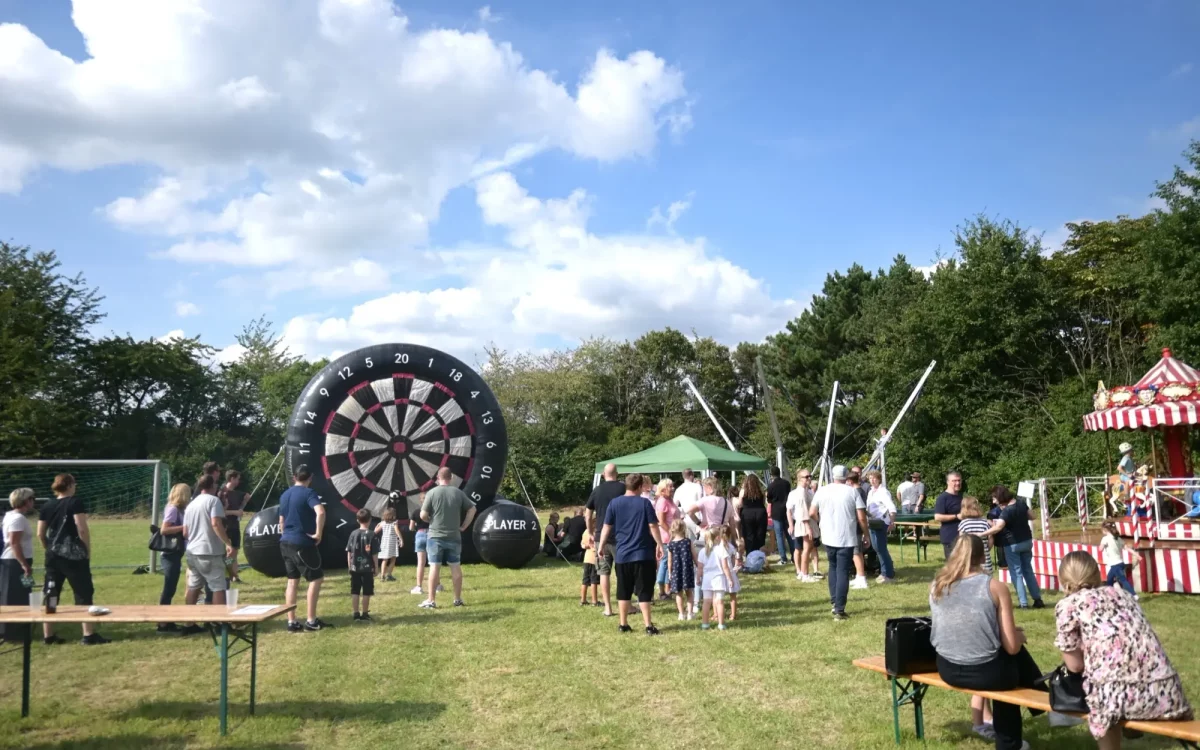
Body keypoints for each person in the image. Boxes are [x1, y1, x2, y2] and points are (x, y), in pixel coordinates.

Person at [1055, 551, 1192, 748]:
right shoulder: (1123, 595)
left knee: (1102, 693)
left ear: (1063, 580)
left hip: (1115, 694)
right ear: (1096, 573)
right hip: (1166, 690)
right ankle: (1131, 723)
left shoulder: (1067, 606)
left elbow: (1075, 666)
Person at [931, 534, 1048, 750]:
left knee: (1006, 653)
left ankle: (1046, 705)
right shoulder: (994, 586)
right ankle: (1011, 741)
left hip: (947, 665)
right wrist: (1018, 636)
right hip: (985, 671)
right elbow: (1011, 647)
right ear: (983, 555)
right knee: (1013, 657)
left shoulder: (938, 584)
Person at [38, 474, 108, 645]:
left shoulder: (47, 505)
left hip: (53, 555)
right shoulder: (75, 502)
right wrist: (86, 550)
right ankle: (88, 634)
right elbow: (81, 528)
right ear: (69, 485)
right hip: (74, 556)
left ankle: (48, 635)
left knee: (51, 592)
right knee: (83, 592)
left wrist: (49, 548)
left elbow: (41, 532)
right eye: (74, 483)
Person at [595, 474, 664, 635]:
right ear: (640, 487)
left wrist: (602, 545)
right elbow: (653, 526)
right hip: (643, 554)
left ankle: (623, 624)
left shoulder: (615, 503)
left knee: (623, 589)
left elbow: (606, 526)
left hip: (622, 554)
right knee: (644, 590)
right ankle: (648, 625)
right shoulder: (645, 503)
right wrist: (660, 544)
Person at [810, 465, 869, 622]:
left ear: (832, 476)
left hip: (828, 536)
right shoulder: (852, 491)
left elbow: (811, 512)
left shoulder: (822, 490)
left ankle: (834, 601)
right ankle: (839, 608)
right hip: (846, 536)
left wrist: (821, 522)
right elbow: (862, 517)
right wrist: (866, 534)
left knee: (833, 567)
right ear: (846, 477)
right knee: (842, 570)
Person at [178, 475, 234, 637]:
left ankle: (189, 623)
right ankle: (219, 623)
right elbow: (216, 523)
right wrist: (227, 543)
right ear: (212, 486)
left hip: (192, 551)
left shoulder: (191, 504)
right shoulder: (213, 501)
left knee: (194, 586)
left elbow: (185, 532)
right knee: (218, 586)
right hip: (209, 551)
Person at [278, 465, 327, 632]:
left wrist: (285, 535)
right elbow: (320, 512)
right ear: (310, 478)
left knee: (292, 581)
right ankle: (311, 620)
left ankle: (292, 622)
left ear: (294, 478)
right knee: (316, 579)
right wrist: (318, 533)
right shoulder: (309, 493)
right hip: (302, 542)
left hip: (285, 542)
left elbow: (281, 521)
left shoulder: (285, 494)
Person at [419, 467, 477, 609]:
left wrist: (430, 521)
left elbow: (422, 515)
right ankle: (457, 599)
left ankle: (431, 600)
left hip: (435, 536)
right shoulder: (458, 493)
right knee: (455, 567)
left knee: (434, 567)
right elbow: (472, 509)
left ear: (438, 478)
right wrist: (463, 526)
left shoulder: (432, 493)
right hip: (454, 536)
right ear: (451, 478)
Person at [981, 486, 1044, 610]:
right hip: (1027, 541)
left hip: (1012, 544)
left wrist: (981, 534)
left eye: (994, 498)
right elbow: (1033, 516)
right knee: (1028, 571)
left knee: (1016, 573)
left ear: (1000, 497)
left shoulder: (1006, 511)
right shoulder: (1021, 504)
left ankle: (1023, 603)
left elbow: (998, 528)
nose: (993, 502)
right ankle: (1038, 599)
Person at [585, 463, 626, 617]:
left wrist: (590, 532)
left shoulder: (597, 490)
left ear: (603, 474)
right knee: (622, 572)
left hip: (600, 536)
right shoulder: (623, 488)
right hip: (620, 536)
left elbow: (588, 514)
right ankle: (626, 606)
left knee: (603, 573)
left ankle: (608, 608)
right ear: (617, 473)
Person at [1, 489, 36, 644]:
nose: (33, 501)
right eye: (31, 498)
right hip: (15, 562)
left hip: (17, 561)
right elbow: (14, 543)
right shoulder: (17, 518)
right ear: (25, 500)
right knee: (13, 596)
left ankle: (20, 628)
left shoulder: (12, 516)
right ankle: (11, 632)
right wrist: (24, 564)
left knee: (22, 593)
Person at [155, 483, 191, 634]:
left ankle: (166, 621)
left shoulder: (180, 509)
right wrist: (184, 528)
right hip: (169, 554)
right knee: (169, 587)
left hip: (176, 553)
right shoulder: (173, 509)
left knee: (172, 587)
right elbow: (164, 529)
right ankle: (162, 624)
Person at [787, 469, 822, 582]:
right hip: (804, 522)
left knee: (809, 548)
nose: (809, 478)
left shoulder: (806, 491)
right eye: (806, 477)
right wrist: (807, 527)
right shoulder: (800, 492)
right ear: (799, 479)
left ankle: (803, 572)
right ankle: (804, 573)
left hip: (807, 522)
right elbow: (802, 510)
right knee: (806, 549)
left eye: (809, 476)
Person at [696, 525, 734, 630]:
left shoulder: (703, 551)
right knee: (719, 602)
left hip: (707, 578)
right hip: (719, 578)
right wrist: (730, 579)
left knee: (706, 602)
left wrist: (698, 578)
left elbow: (699, 568)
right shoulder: (721, 550)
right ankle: (721, 624)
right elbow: (725, 567)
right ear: (717, 538)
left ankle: (705, 623)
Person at [865, 470, 897, 584]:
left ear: (879, 479)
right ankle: (884, 572)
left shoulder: (883, 492)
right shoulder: (871, 492)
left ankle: (888, 573)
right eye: (870, 478)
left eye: (874, 478)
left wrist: (892, 522)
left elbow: (891, 507)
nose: (872, 480)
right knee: (876, 548)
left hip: (881, 522)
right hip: (872, 522)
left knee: (881, 548)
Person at [218, 470, 247, 583]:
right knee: (229, 553)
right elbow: (220, 512)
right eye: (237, 479)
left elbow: (242, 503)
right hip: (225, 526)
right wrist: (235, 512)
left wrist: (245, 500)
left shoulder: (236, 493)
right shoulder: (222, 493)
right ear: (232, 479)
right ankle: (228, 572)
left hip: (235, 526)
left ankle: (234, 577)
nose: (238, 481)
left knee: (234, 552)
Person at [346, 508, 375, 622]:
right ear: (370, 520)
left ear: (358, 520)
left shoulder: (353, 534)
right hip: (368, 568)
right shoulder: (372, 534)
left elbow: (349, 551)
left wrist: (349, 565)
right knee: (367, 591)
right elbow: (374, 554)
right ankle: (365, 614)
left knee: (355, 590)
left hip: (354, 567)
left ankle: (355, 613)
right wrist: (376, 567)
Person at [653, 479, 678, 601]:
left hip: (672, 536)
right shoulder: (662, 502)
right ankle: (662, 590)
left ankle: (668, 589)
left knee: (670, 563)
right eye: (670, 487)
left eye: (672, 486)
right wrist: (671, 533)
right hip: (666, 537)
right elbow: (661, 522)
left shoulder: (669, 500)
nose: (672, 488)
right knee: (664, 562)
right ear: (663, 490)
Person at [666, 519, 695, 621]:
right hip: (687, 571)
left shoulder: (670, 544)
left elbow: (669, 561)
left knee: (678, 593)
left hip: (676, 572)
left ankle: (681, 614)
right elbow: (694, 556)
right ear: (684, 529)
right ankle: (690, 613)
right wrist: (698, 565)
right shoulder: (688, 542)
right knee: (689, 592)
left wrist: (670, 572)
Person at [957, 496, 993, 575]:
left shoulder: (964, 523)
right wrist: (986, 549)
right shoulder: (984, 522)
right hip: (984, 558)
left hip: (969, 558)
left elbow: (961, 541)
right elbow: (990, 539)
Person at [933, 471, 965, 559]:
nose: (957, 483)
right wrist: (956, 516)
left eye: (959, 480)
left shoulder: (960, 496)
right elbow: (937, 517)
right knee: (954, 568)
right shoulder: (943, 498)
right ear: (948, 482)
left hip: (963, 537)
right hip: (950, 537)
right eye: (954, 481)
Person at [846, 472, 870, 590]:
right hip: (856, 525)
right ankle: (858, 576)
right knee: (856, 552)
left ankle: (861, 578)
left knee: (856, 552)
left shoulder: (856, 492)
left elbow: (861, 513)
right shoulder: (861, 491)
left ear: (850, 481)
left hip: (856, 525)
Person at [1100, 521, 1136, 598]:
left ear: (1105, 530)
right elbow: (1126, 548)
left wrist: (1102, 545)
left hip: (1115, 564)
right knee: (1109, 579)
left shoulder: (1105, 539)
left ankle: (1134, 595)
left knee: (1123, 580)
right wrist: (1136, 554)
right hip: (1120, 563)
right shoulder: (1118, 539)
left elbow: (1100, 549)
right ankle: (1109, 595)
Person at [766, 466, 793, 566]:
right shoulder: (786, 484)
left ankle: (783, 558)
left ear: (772, 474)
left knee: (779, 535)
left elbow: (769, 499)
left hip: (776, 511)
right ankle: (794, 555)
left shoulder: (771, 486)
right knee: (789, 533)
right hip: (786, 510)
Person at [738, 473, 769, 554]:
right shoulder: (761, 490)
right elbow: (763, 502)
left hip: (747, 513)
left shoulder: (743, 491)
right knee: (760, 535)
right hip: (760, 513)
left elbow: (740, 504)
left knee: (749, 535)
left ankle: (750, 554)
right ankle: (760, 554)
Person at [409, 491, 432, 595]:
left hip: (420, 534)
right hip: (432, 535)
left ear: (421, 500)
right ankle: (437, 585)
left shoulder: (416, 512)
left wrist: (416, 529)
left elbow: (411, 527)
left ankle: (419, 587)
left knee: (420, 563)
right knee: (434, 562)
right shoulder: (433, 511)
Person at [376, 507, 403, 582]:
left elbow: (375, 531)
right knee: (393, 558)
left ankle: (382, 576)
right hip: (392, 542)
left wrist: (377, 525)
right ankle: (389, 575)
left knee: (384, 559)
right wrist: (401, 539)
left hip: (384, 542)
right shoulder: (394, 522)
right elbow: (397, 531)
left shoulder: (382, 523)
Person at [723, 524, 742, 621]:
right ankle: (733, 615)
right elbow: (737, 558)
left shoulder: (718, 547)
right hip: (730, 572)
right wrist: (736, 567)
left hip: (720, 573)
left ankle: (717, 614)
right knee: (732, 595)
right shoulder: (731, 546)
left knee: (718, 596)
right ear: (730, 535)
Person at [579, 536, 600, 607]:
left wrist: (586, 546)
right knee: (594, 580)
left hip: (586, 558)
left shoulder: (586, 531)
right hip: (593, 558)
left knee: (585, 580)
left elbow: (582, 544)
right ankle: (594, 601)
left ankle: (583, 600)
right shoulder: (596, 531)